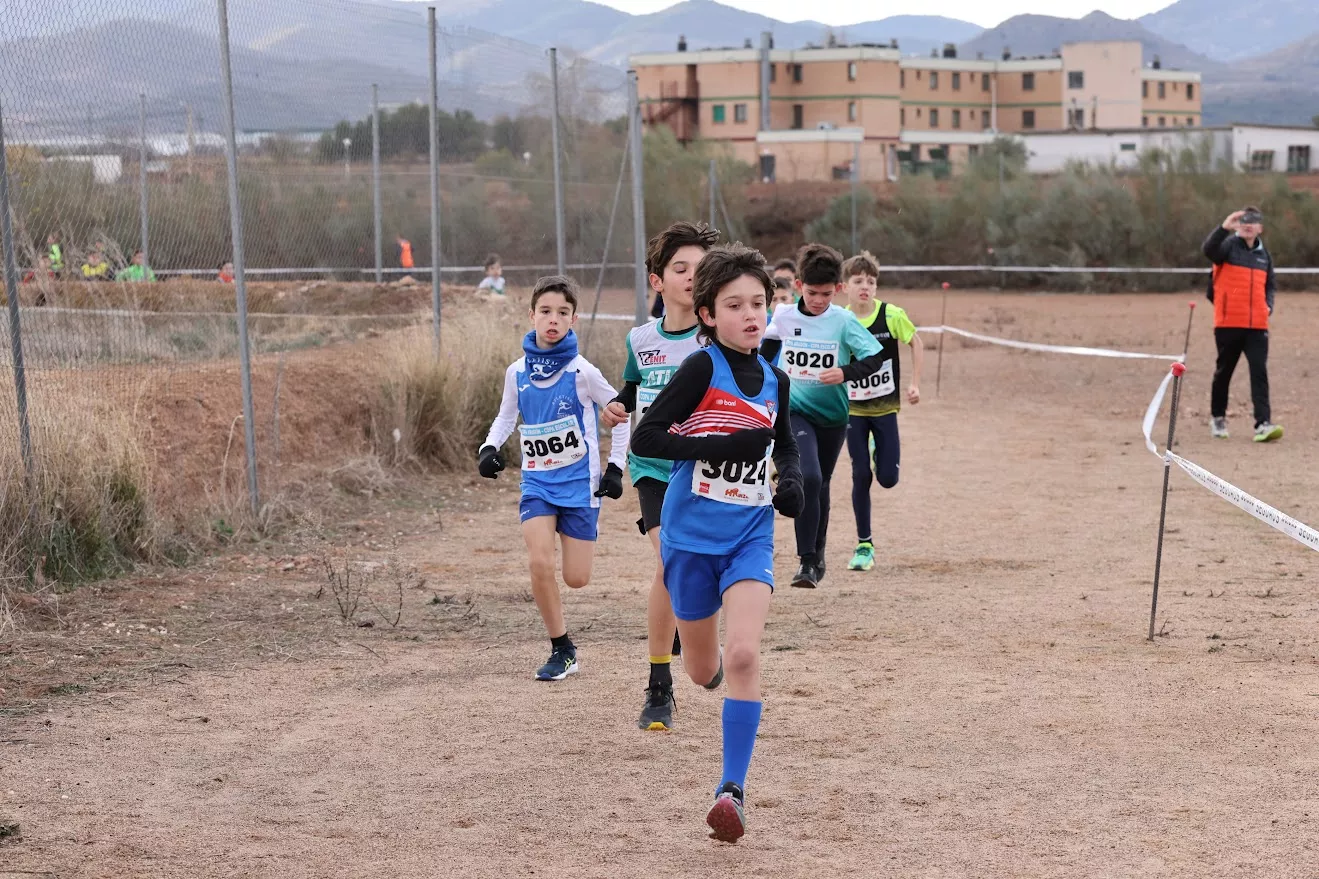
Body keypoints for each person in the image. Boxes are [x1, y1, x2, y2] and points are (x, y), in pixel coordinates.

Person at [630, 242, 803, 844]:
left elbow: (782, 441)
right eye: (735, 305)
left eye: (760, 303)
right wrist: (714, 446)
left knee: (745, 657)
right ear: (707, 314)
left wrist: (794, 481)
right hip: (689, 539)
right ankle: (695, 675)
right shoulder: (701, 369)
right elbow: (647, 436)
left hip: (749, 537)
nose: (751, 314)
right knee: (705, 669)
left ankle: (731, 790)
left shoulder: (776, 378)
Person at [477, 275, 629, 681]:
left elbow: (621, 413)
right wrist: (488, 449)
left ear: (573, 319)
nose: (553, 319)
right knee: (539, 561)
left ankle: (574, 544)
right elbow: (507, 415)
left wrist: (615, 468)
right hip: (538, 484)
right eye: (545, 311)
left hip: (580, 486)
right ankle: (561, 648)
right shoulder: (516, 372)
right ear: (531, 315)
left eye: (562, 313)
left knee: (576, 579)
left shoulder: (583, 372)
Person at [600, 220, 719, 732]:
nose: (692, 277)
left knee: (693, 571)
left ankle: (695, 643)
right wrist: (616, 406)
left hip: (703, 466)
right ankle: (658, 686)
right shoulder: (639, 339)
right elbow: (633, 389)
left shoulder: (717, 341)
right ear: (657, 280)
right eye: (680, 268)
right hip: (653, 468)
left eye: (700, 268)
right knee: (668, 562)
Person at [760, 243, 886, 590]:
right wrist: (765, 381)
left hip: (832, 417)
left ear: (839, 290)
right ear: (799, 285)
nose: (818, 300)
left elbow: (875, 358)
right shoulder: (784, 316)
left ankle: (817, 558)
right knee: (809, 478)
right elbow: (765, 353)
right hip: (794, 412)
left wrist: (844, 372)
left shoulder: (843, 320)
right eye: (812, 292)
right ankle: (805, 560)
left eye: (826, 294)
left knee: (822, 484)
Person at [840, 252, 924, 572]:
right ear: (845, 286)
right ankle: (864, 545)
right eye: (858, 281)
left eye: (871, 282)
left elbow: (916, 342)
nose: (865, 287)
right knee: (860, 474)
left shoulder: (891, 315)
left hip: (885, 407)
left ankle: (880, 453)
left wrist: (914, 384)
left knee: (887, 479)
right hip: (853, 412)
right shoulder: (840, 320)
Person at [1204, 207, 1282, 443]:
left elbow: (1270, 285)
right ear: (1238, 224)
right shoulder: (1227, 247)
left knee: (1259, 372)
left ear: (1261, 227)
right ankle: (1218, 418)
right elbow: (1208, 250)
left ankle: (1263, 424)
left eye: (1254, 221)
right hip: (1229, 324)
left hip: (1257, 325)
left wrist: (1268, 306)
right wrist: (1223, 227)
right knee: (1224, 371)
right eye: (1244, 220)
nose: (1248, 225)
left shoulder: (1264, 255)